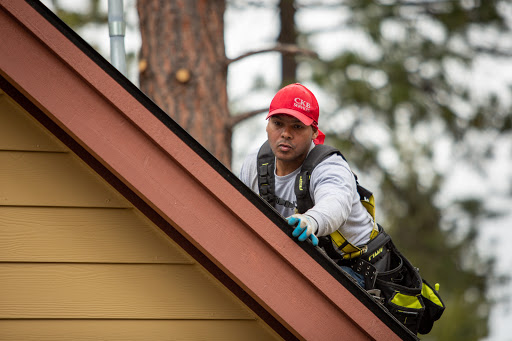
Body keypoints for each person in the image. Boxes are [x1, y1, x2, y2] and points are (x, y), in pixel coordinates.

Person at [239, 83, 375, 286]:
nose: (285, 133)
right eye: (278, 124)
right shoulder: (255, 165)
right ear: (267, 126)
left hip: (356, 270)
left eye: (297, 126)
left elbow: (335, 202)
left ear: (313, 132)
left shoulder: (329, 166)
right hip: (304, 262)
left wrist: (310, 221)